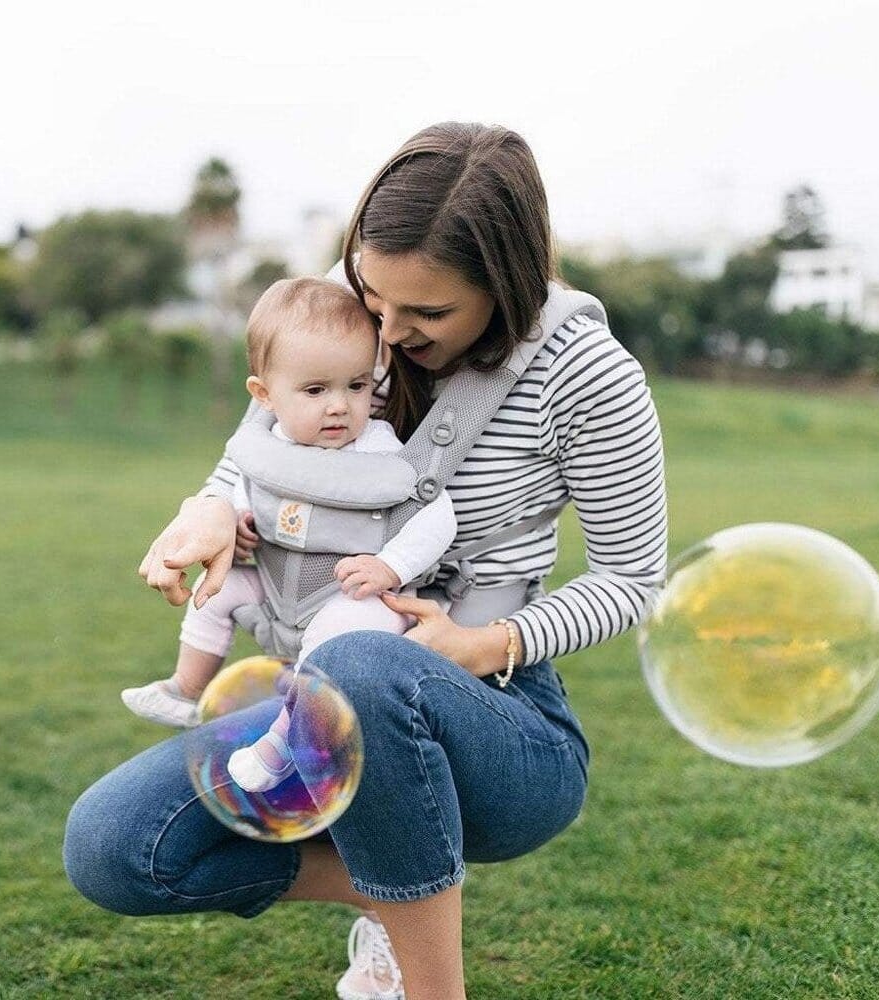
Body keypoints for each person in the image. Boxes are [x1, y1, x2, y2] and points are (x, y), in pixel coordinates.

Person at [64, 122, 668, 1000]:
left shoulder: (588, 375)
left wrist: (484, 643)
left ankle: (428, 981)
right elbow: (262, 450)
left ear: (507, 284)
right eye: (374, 296)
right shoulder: (350, 316)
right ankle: (407, 887)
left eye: (426, 314)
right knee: (115, 847)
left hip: (502, 722)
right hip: (315, 696)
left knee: (361, 661)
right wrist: (207, 508)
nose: (386, 334)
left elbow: (631, 578)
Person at [121, 276, 456, 792]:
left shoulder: (381, 452)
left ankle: (280, 742)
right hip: (276, 587)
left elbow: (437, 517)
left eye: (357, 386)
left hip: (350, 593)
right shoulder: (265, 448)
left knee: (338, 641)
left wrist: (391, 566)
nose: (340, 406)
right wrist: (235, 521)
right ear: (265, 395)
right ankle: (187, 689)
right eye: (316, 390)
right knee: (218, 589)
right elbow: (242, 490)